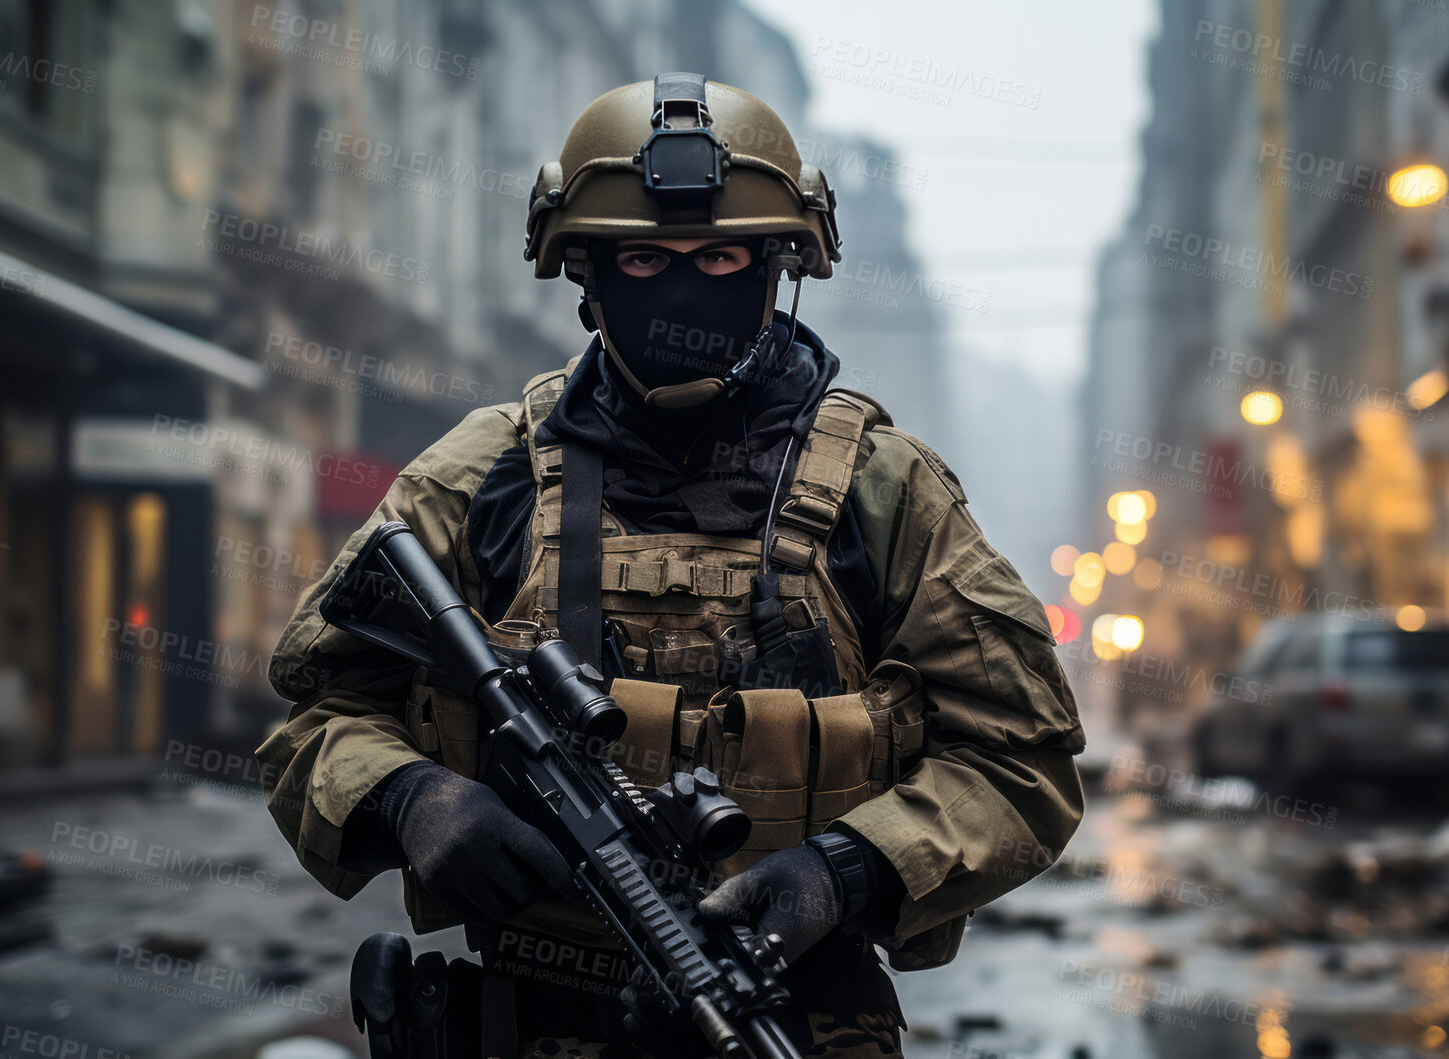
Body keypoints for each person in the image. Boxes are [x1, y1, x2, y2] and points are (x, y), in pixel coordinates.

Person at [256, 73, 1085, 1058]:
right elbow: (315, 710)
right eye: (644, 258)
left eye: (721, 254)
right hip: (530, 1019)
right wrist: (410, 797)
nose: (684, 288)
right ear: (588, 276)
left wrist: (847, 871)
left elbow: (1021, 761)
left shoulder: (883, 489)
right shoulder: (484, 473)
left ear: (777, 265)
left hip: (793, 1011)